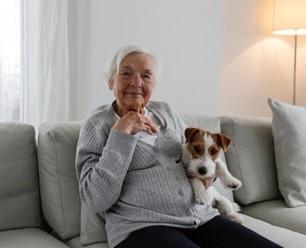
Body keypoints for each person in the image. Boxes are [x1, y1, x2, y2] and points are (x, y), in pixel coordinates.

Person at [76, 45, 283, 248]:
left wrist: (207, 177)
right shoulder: (96, 125)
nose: (136, 82)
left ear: (153, 84)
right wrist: (120, 133)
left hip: (200, 218)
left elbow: (196, 154)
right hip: (142, 228)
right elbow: (96, 199)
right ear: (110, 80)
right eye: (126, 73)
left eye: (146, 76)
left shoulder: (165, 111)